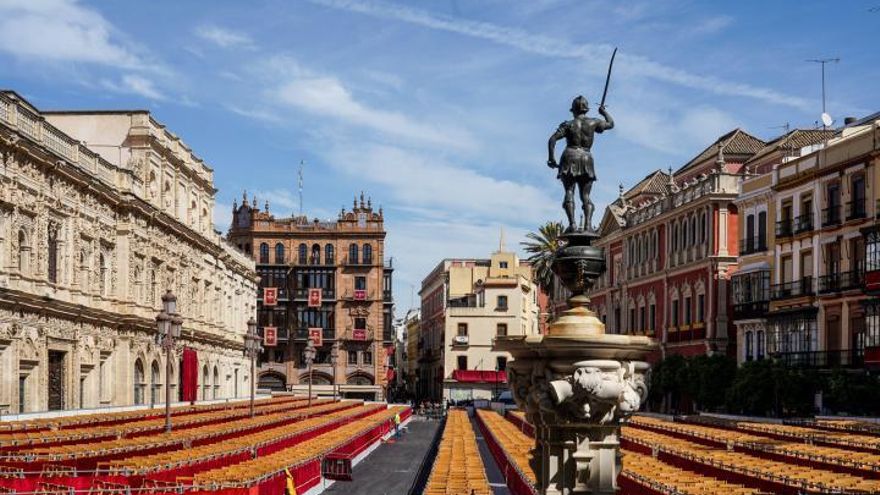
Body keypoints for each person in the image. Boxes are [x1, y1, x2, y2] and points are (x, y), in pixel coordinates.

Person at [547, 95, 614, 233]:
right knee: (586, 195)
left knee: (569, 191)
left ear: (573, 110)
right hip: (586, 157)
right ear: (586, 110)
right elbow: (611, 124)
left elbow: (552, 140)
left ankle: (572, 224)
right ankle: (588, 226)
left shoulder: (568, 124)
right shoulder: (593, 122)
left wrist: (551, 159)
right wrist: (603, 112)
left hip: (569, 156)